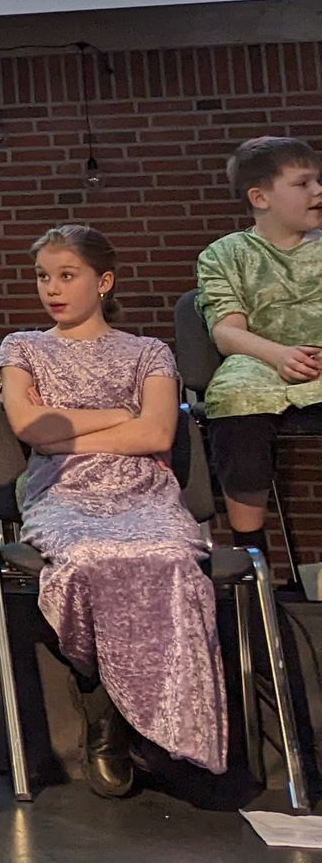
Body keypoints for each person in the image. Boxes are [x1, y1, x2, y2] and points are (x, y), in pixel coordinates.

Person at [0, 226, 226, 794]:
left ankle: (150, 723)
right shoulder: (22, 347)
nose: (52, 289)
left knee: (172, 558)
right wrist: (121, 418)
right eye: (43, 277)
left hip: (143, 490)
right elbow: (29, 427)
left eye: (66, 276)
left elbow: (158, 434)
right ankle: (105, 705)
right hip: (64, 493)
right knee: (89, 558)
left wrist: (65, 429)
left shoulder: (149, 351)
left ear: (103, 282)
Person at [195, 137, 322, 559]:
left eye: (317, 181)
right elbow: (227, 331)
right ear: (260, 197)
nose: (318, 191)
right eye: (302, 183)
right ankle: (251, 555)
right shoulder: (225, 254)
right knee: (233, 395)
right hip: (263, 358)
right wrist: (279, 355)